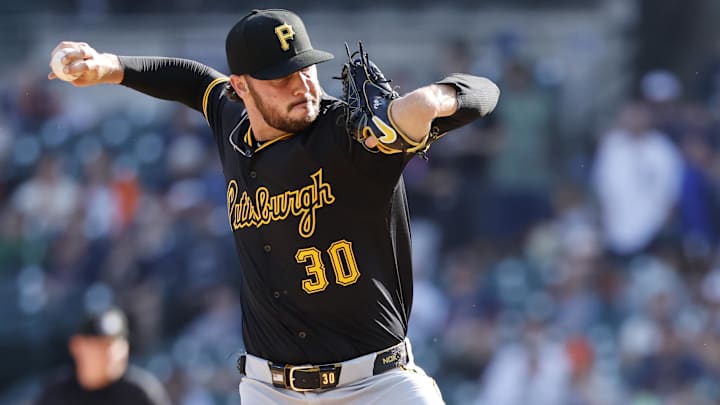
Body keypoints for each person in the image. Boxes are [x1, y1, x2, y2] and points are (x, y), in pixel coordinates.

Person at [48, 8, 499, 404]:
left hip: (377, 385)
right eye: (282, 76)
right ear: (240, 88)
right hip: (270, 390)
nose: (303, 84)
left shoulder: (352, 135)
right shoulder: (229, 120)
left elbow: (484, 92)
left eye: (307, 68)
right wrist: (109, 66)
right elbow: (189, 78)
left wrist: (430, 101)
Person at [35, 307, 171, 405]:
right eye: (99, 346)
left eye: (114, 345)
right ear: (77, 346)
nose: (110, 353)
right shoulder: (57, 394)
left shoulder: (138, 394)